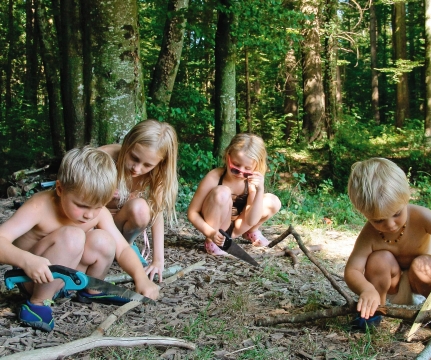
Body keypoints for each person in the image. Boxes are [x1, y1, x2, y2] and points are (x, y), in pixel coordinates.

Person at [0, 146, 159, 332]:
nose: (89, 215)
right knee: (72, 236)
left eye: (98, 206)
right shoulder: (39, 206)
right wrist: (27, 261)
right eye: (82, 206)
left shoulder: (97, 213)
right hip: (33, 278)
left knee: (104, 239)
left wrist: (141, 278)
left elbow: (123, 249)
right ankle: (38, 303)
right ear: (60, 189)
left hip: (65, 276)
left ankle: (93, 289)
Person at [344, 157, 431, 329]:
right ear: (363, 213)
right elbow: (352, 270)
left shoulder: (421, 217)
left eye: (396, 214)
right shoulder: (369, 234)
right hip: (390, 285)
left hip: (422, 282)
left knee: (423, 264)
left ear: (406, 199)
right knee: (380, 259)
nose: (390, 225)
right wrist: (366, 289)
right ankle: (376, 309)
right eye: (378, 220)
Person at [99, 120, 178, 282]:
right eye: (134, 158)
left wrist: (158, 261)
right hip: (95, 221)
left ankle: (125, 246)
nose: (137, 168)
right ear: (127, 144)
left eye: (147, 165)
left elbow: (157, 212)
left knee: (141, 209)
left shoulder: (157, 173)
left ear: (159, 163)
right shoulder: (103, 157)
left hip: (119, 221)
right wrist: (102, 194)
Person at [187, 133, 281, 256]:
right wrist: (210, 233)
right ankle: (213, 243)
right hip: (216, 227)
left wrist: (259, 190)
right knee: (222, 192)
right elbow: (192, 213)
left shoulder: (250, 183)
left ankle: (250, 232)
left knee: (273, 201)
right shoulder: (214, 177)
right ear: (228, 156)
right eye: (236, 166)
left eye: (247, 169)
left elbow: (251, 219)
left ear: (256, 167)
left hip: (239, 226)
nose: (240, 173)